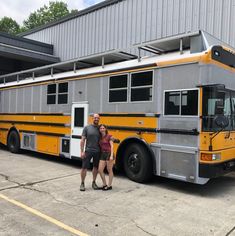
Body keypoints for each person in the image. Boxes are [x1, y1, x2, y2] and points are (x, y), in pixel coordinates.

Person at [80, 113, 101, 191]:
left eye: (98, 118)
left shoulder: (100, 128)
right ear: (92, 118)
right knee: (84, 167)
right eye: (95, 118)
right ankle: (82, 183)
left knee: (95, 167)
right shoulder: (87, 128)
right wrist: (82, 151)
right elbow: (82, 140)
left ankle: (94, 182)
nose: (96, 119)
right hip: (88, 151)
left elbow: (106, 137)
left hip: (98, 151)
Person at [98, 124, 114, 190]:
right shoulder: (100, 137)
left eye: (103, 128)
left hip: (109, 153)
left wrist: (111, 155)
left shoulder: (109, 136)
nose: (102, 129)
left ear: (105, 129)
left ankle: (109, 185)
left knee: (109, 170)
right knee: (100, 170)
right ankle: (104, 184)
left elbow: (112, 146)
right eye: (101, 128)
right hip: (102, 154)